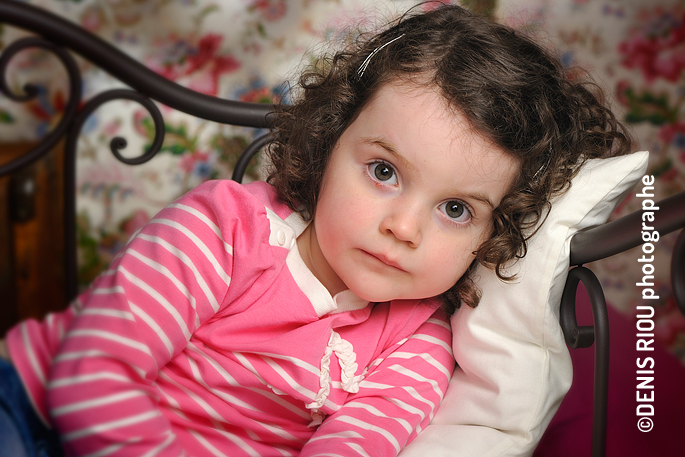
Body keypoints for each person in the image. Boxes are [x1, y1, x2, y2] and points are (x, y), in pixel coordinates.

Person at [0, 3, 631, 457]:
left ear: (494, 235)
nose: (403, 227)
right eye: (384, 171)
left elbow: (351, 448)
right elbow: (92, 374)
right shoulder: (224, 228)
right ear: (330, 144)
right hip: (37, 406)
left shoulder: (419, 346)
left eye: (456, 209)